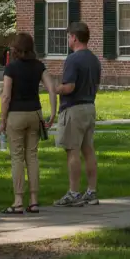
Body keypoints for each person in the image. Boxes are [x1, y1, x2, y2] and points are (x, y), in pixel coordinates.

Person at [0, 33, 57, 214]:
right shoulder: (39, 66)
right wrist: (52, 113)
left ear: (15, 49)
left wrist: (2, 121)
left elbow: (6, 96)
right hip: (34, 114)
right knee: (32, 156)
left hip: (16, 114)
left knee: (17, 157)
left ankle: (18, 201)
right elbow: (52, 88)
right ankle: (34, 200)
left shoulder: (11, 68)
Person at [53, 22, 101, 208]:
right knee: (88, 150)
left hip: (73, 108)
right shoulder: (94, 59)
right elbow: (96, 86)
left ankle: (73, 192)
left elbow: (69, 87)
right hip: (90, 106)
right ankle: (91, 191)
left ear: (74, 37)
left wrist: (54, 88)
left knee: (72, 151)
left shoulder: (73, 59)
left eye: (68, 36)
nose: (68, 40)